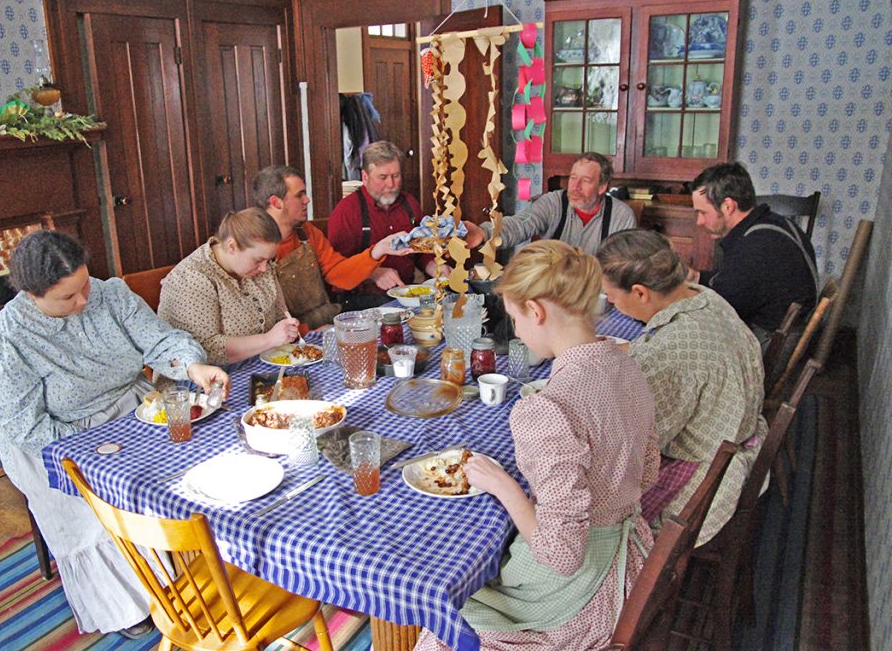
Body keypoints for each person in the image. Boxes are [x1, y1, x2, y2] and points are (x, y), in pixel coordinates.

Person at [0, 230, 229, 638]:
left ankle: (194, 562)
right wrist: (92, 448)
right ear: (31, 294)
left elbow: (160, 339)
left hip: (131, 408)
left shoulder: (109, 295)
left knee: (192, 464)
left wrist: (191, 365)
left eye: (85, 286)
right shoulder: (7, 341)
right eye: (68, 296)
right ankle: (130, 604)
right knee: (98, 511)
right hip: (55, 440)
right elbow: (26, 427)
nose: (83, 300)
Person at [415, 240, 659, 651]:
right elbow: (648, 473)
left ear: (536, 311)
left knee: (442, 611)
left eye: (515, 319)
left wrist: (504, 485)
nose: (518, 332)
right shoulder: (628, 365)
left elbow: (562, 555)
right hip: (631, 561)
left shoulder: (547, 408)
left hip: (578, 596)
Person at [597, 229, 766, 546]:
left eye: (612, 296)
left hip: (703, 479)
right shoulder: (704, 298)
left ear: (640, 292)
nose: (612, 303)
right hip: (735, 430)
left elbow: (638, 446)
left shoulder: (670, 354)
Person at [252, 165, 410, 327]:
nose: (307, 200)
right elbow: (262, 320)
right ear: (276, 202)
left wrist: (377, 251)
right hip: (291, 333)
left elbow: (338, 274)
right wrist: (308, 333)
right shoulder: (254, 247)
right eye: (300, 195)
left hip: (326, 318)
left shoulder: (306, 232)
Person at [687, 162, 818, 347]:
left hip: (769, 345)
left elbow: (721, 309)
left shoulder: (756, 246)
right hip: (783, 332)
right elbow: (734, 282)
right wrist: (696, 277)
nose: (699, 221)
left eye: (702, 212)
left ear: (727, 206)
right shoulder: (773, 223)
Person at [158, 207, 300, 365]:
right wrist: (269, 339)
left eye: (269, 260)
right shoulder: (191, 278)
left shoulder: (259, 269)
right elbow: (205, 350)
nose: (264, 269)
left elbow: (281, 316)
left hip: (258, 365)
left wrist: (287, 330)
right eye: (258, 260)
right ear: (232, 246)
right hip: (206, 377)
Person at [327, 141, 445, 310]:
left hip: (406, 295)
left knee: (448, 307)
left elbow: (420, 250)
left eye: (396, 176)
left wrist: (433, 266)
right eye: (382, 178)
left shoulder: (409, 204)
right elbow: (336, 271)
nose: (391, 184)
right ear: (365, 177)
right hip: (362, 301)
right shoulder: (347, 211)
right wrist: (372, 273)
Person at [463, 151, 637, 253]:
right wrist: (484, 232)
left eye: (585, 180)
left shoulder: (621, 216)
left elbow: (623, 266)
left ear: (602, 187)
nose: (575, 186)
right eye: (573, 177)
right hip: (552, 290)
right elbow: (520, 224)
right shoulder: (554, 203)